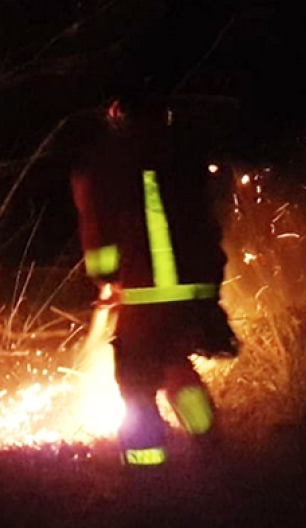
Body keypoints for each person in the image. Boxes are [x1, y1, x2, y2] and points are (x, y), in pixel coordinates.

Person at [70, 96, 238, 466]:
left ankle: (147, 472)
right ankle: (211, 445)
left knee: (136, 383)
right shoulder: (183, 154)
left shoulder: (107, 162)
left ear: (118, 113)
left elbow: (99, 234)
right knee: (175, 364)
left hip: (144, 292)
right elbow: (208, 221)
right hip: (193, 291)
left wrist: (106, 276)